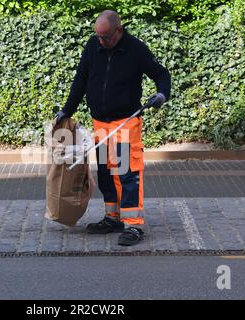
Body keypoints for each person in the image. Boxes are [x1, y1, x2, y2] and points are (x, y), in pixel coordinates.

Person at [55, 10, 171, 246]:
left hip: (125, 124)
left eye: (105, 37)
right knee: (107, 173)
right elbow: (81, 79)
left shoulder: (135, 49)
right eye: (98, 36)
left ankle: (134, 226)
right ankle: (113, 217)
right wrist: (67, 109)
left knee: (127, 173)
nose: (101, 41)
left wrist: (161, 94)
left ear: (118, 31)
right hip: (101, 124)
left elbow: (161, 73)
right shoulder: (93, 47)